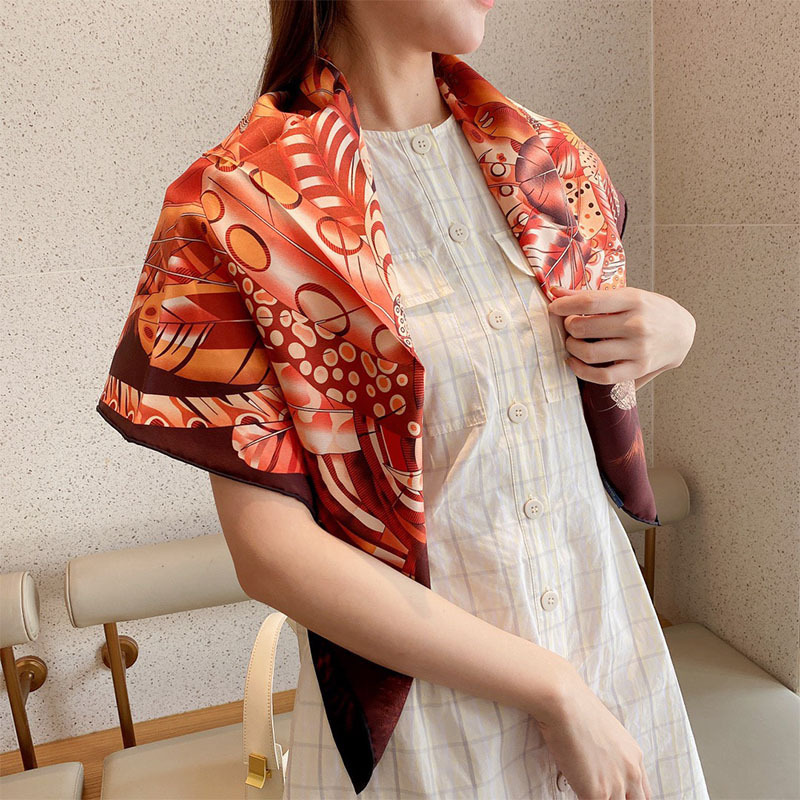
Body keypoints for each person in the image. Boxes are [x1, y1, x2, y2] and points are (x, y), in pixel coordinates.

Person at [97, 0, 709, 798]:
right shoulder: (238, 207)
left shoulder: (551, 160)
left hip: (607, 652)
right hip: (431, 717)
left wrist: (672, 335)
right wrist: (552, 689)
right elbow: (272, 555)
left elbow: (552, 413)